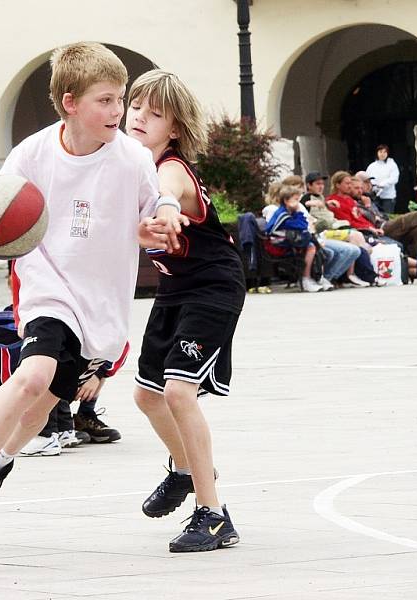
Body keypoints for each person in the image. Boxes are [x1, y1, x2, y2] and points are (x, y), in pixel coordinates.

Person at [0, 42, 177, 549]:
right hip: (46, 286)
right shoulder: (31, 154)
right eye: (106, 100)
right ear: (70, 102)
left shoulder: (133, 158)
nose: (118, 111)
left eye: (121, 99)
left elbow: (154, 203)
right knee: (32, 376)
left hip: (102, 306)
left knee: (46, 401)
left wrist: (159, 219)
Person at [127, 69, 244, 552]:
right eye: (136, 107)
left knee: (178, 392)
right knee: (145, 396)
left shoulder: (169, 167)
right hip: (174, 288)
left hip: (214, 285)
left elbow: (168, 194)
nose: (140, 118)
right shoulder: (121, 166)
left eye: (155, 114)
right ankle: (184, 468)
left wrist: (168, 209)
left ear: (173, 129)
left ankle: (213, 515)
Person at [365, 144, 400, 214]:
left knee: (387, 216)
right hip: (375, 196)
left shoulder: (392, 164)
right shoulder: (372, 166)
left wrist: (382, 184)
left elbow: (394, 178)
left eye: (385, 152)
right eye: (380, 152)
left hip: (388, 197)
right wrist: (374, 186)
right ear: (377, 153)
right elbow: (367, 179)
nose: (382, 154)